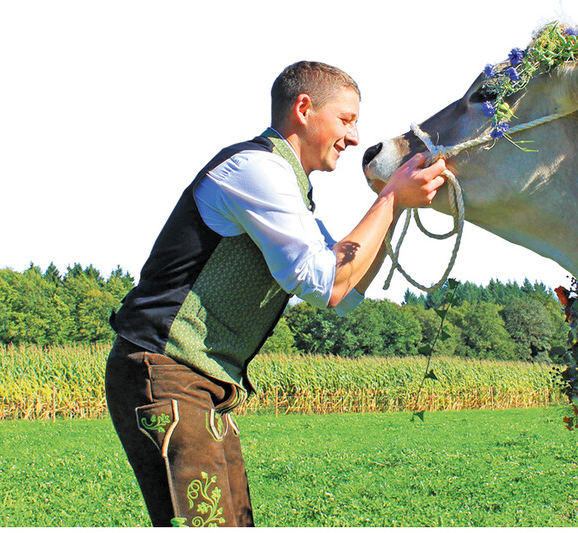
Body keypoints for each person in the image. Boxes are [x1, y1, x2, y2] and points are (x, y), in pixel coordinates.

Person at [104, 60, 446, 527]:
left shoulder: (287, 189)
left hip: (197, 381)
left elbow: (345, 293)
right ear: (304, 109)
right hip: (164, 370)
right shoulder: (257, 171)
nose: (353, 137)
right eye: (346, 120)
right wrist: (388, 201)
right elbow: (325, 283)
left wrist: (395, 207)